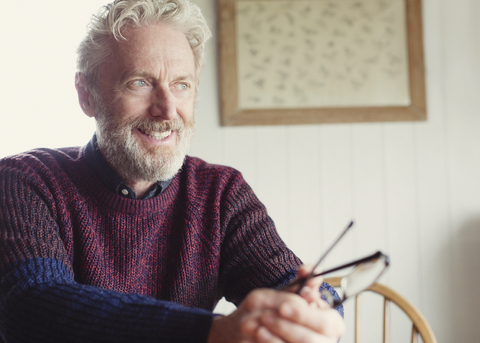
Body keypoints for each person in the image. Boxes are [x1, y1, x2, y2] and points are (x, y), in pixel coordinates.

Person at [0, 0, 345, 342]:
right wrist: (212, 332)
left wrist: (315, 309)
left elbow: (295, 286)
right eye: (139, 82)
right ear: (86, 94)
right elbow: (30, 304)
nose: (167, 110)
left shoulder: (221, 193)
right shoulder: (25, 181)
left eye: (181, 84)